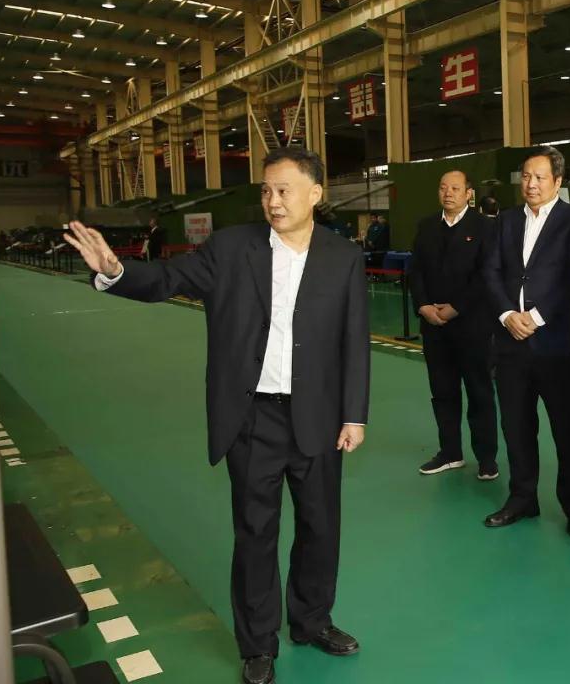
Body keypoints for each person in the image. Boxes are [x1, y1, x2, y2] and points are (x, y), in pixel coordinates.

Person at [64, 148, 370, 684]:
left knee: (321, 528)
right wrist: (115, 271)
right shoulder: (231, 248)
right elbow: (166, 279)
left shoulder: (342, 257)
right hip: (251, 417)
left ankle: (312, 621)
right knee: (255, 533)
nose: (273, 201)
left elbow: (354, 341)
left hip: (319, 418)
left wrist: (354, 414)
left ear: (316, 194)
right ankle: (257, 644)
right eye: (266, 191)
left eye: (284, 190)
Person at [481, 145, 570, 536]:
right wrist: (506, 315)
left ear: (557, 181)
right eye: (526, 176)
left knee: (568, 433)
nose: (531, 184)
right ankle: (522, 499)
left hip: (557, 348)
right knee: (516, 428)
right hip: (510, 346)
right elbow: (491, 271)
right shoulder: (506, 221)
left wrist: (536, 316)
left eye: (540, 177)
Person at [408, 170, 499, 480]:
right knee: (442, 392)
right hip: (433, 327)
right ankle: (450, 453)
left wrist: (455, 308)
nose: (448, 193)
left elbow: (486, 274)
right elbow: (415, 270)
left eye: (456, 188)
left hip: (472, 326)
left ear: (469, 193)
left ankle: (487, 459)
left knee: (479, 392)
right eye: (443, 187)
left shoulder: (485, 227)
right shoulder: (426, 226)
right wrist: (423, 306)